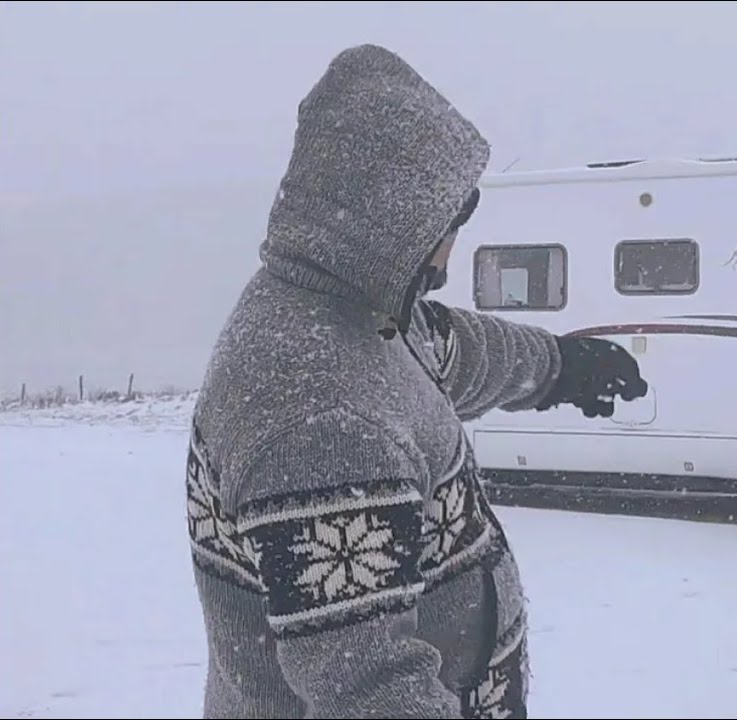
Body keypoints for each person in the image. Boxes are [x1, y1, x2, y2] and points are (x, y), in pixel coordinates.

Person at [184, 43, 647, 719]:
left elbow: (448, 348)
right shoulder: (322, 413)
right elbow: (369, 687)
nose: (450, 250)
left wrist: (558, 369)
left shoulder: (341, 314)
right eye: (450, 223)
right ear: (398, 220)